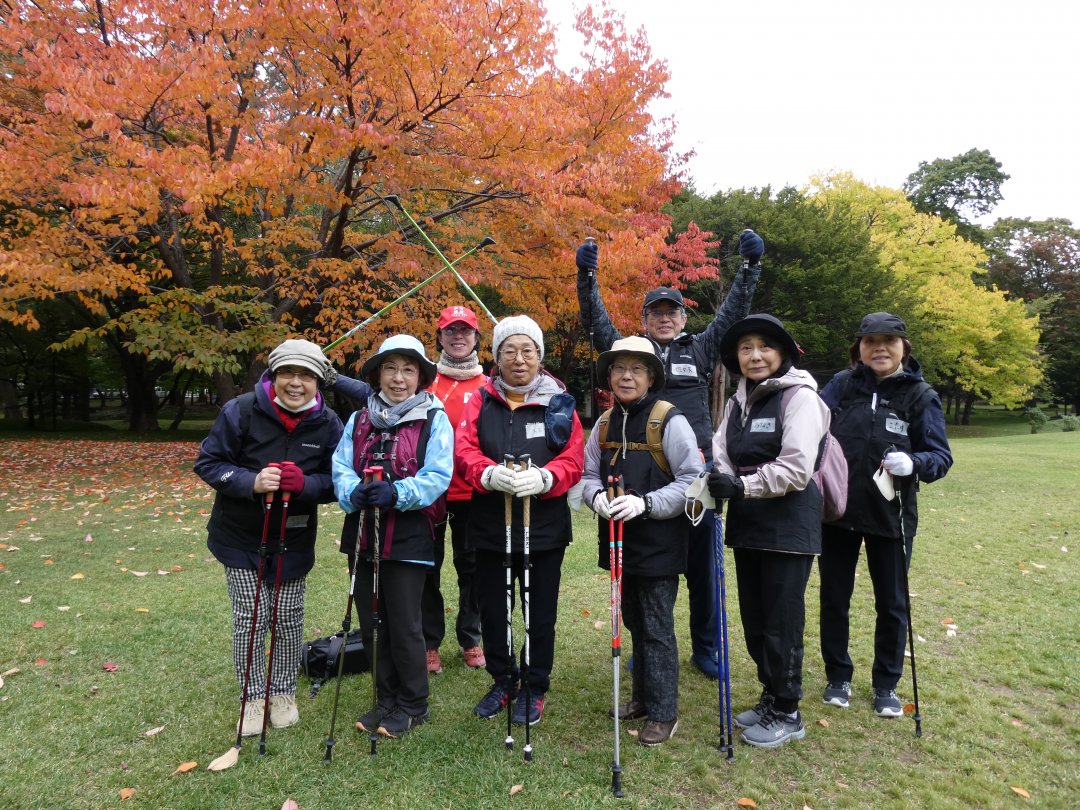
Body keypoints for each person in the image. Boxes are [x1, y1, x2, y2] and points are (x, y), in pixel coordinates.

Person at [576, 230, 764, 679]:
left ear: (682, 318)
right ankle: (649, 645)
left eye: (672, 312)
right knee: (642, 571)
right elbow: (595, 321)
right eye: (656, 313)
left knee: (703, 569)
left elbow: (733, 315)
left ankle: (705, 645)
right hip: (640, 476)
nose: (665, 319)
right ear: (644, 319)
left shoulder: (699, 348)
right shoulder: (630, 355)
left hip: (692, 474)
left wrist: (749, 271)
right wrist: (587, 277)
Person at [194, 338, 343, 736]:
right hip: (239, 535)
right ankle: (252, 696)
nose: (296, 383)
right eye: (288, 374)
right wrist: (250, 481)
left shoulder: (328, 423)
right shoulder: (240, 410)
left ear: (318, 381)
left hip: (293, 539)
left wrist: (307, 485)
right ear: (274, 376)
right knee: (250, 617)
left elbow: (338, 482)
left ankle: (282, 692)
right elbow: (208, 463)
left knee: (289, 618)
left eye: (307, 376)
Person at [817, 312, 953, 717]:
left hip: (890, 516)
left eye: (889, 341)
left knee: (892, 603)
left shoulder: (920, 395)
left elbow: (940, 456)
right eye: (870, 340)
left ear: (904, 349)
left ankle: (886, 685)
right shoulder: (841, 386)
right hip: (837, 512)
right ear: (858, 348)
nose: (879, 348)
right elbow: (809, 426)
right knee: (834, 598)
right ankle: (838, 675)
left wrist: (914, 463)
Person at [455, 315, 584, 726]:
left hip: (542, 526)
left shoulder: (558, 401)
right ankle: (503, 679)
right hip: (492, 523)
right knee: (494, 608)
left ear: (540, 356)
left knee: (539, 609)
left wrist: (547, 477)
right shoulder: (481, 399)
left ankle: (534, 684)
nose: (518, 358)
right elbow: (464, 449)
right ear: (496, 356)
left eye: (527, 350)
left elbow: (573, 458)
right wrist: (487, 473)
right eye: (509, 350)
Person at [708, 314, 830, 748]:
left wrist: (741, 485)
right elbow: (720, 450)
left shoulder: (800, 397)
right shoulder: (740, 401)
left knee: (782, 620)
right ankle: (769, 694)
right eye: (745, 348)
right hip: (749, 520)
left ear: (781, 353)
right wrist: (722, 478)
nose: (754, 355)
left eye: (764, 346)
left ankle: (788, 709)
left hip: (788, 522)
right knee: (756, 619)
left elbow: (797, 466)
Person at [581, 336, 702, 746]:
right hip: (617, 542)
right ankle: (642, 698)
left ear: (651, 375)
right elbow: (588, 475)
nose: (626, 376)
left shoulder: (669, 420)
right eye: (618, 369)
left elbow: (691, 480)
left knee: (656, 626)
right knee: (631, 620)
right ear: (609, 376)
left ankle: (664, 712)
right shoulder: (602, 423)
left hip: (659, 543)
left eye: (636, 369)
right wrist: (595, 496)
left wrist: (646, 504)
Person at [332, 334, 453, 739]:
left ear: (420, 376)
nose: (398, 378)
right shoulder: (359, 419)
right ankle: (385, 699)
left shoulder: (435, 418)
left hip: (409, 535)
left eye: (407, 370)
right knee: (371, 623)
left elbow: (438, 475)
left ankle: (413, 704)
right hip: (364, 532)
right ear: (377, 374)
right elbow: (341, 466)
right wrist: (353, 491)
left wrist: (398, 493)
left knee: (403, 623)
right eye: (390, 368)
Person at [421, 305, 488, 675]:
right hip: (430, 494)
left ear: (477, 338)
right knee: (427, 566)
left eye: (465, 331)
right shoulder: (425, 383)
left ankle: (471, 637)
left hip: (473, 494)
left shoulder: (490, 386)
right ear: (440, 337)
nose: (458, 337)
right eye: (450, 331)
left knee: (472, 569)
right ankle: (429, 642)